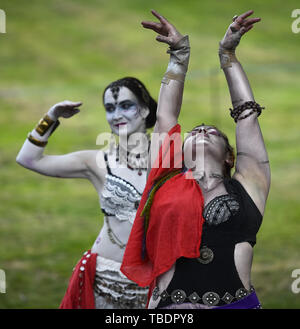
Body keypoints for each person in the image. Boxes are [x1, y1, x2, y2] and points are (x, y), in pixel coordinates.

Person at [121, 10, 270, 309]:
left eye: (211, 131)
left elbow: (246, 115)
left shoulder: (249, 184)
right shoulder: (165, 178)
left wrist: (228, 55)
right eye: (194, 131)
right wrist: (178, 57)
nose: (201, 130)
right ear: (181, 149)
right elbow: (165, 119)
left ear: (230, 155)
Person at [16, 77, 157, 309]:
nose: (117, 115)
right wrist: (51, 117)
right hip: (105, 281)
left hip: (155, 285)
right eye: (110, 109)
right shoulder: (95, 161)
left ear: (143, 109)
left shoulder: (170, 159)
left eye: (126, 105)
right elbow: (28, 159)